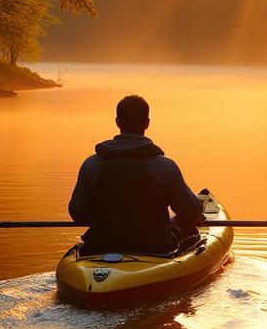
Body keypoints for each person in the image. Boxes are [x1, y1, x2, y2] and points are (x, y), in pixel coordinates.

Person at [68, 94, 204, 253]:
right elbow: (192, 213)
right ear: (147, 123)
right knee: (186, 227)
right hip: (156, 248)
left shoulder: (91, 165)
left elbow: (78, 214)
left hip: (102, 245)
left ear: (117, 122)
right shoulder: (165, 167)